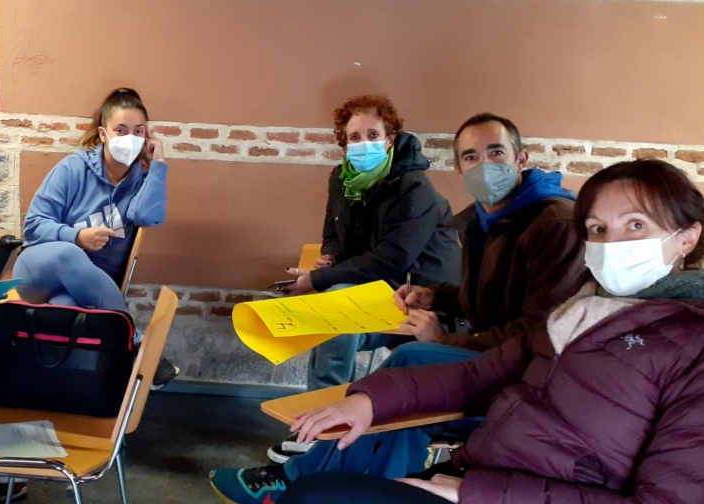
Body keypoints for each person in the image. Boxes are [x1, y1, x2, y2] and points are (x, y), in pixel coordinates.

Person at [213, 113, 591, 502]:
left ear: (521, 158)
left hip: (533, 376)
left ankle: (296, 477)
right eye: (471, 156)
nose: (484, 165)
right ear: (458, 167)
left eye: (496, 152)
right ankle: (348, 483)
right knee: (397, 404)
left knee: (412, 360)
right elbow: (488, 299)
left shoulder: (553, 223)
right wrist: (436, 296)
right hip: (490, 354)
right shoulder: (486, 218)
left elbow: (540, 334)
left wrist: (443, 339)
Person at [276, 159, 704, 502]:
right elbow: (479, 373)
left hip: (504, 490)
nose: (612, 244)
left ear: (687, 237)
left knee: (315, 496)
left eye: (636, 225)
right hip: (488, 469)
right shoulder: (581, 311)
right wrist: (371, 399)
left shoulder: (691, 344)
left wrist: (479, 492)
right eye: (598, 229)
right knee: (318, 492)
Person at [282, 94, 461, 392]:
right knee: (330, 315)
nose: (364, 143)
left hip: (418, 295)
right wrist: (331, 255)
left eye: (373, 135)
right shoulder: (341, 178)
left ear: (390, 139)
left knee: (334, 309)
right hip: (375, 284)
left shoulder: (414, 188)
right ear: (345, 144)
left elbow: (392, 258)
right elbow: (332, 231)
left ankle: (327, 404)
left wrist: (318, 279)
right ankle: (327, 404)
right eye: (355, 137)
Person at [16, 87, 178, 389]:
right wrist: (76, 236)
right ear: (103, 134)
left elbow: (149, 216)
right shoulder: (73, 168)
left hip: (88, 286)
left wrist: (158, 165)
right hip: (38, 271)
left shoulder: (141, 182)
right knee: (69, 254)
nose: (130, 138)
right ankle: (134, 339)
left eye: (139, 131)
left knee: (65, 308)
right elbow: (34, 226)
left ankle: (63, 395)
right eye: (121, 130)